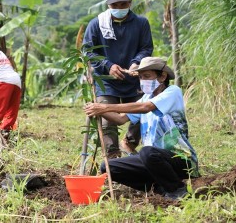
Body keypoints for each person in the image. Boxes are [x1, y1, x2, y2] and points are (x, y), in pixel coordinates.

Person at [84, 57, 199, 200]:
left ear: (162, 76)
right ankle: (159, 188)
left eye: (147, 76)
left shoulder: (173, 92)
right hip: (152, 161)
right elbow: (120, 119)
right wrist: (97, 110)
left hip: (180, 160)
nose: (143, 81)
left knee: (147, 152)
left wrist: (105, 106)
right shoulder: (146, 97)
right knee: (108, 167)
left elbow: (146, 108)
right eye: (140, 77)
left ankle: (177, 189)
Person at [83, 0, 154, 158]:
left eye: (123, 5)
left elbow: (146, 47)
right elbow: (88, 52)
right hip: (106, 79)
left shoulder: (141, 23)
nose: (118, 9)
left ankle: (129, 143)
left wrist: (136, 62)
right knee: (107, 118)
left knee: (142, 112)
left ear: (130, 3)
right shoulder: (97, 24)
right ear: (108, 5)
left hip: (133, 79)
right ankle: (112, 156)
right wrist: (108, 65)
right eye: (114, 6)